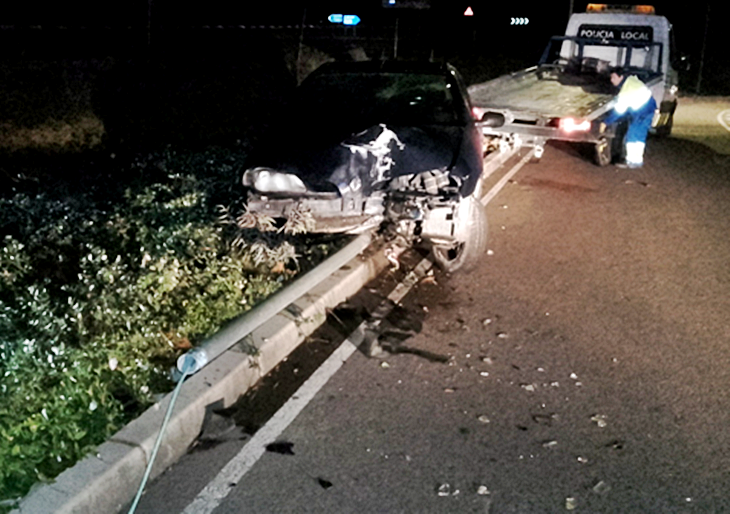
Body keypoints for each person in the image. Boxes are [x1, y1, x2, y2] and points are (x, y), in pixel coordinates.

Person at [604, 68, 657, 168]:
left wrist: (605, 122)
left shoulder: (626, 91)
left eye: (614, 77)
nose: (611, 80)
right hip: (648, 109)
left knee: (633, 136)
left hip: (642, 112)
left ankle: (632, 161)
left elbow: (618, 112)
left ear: (621, 77)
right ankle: (636, 161)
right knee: (639, 136)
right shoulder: (631, 81)